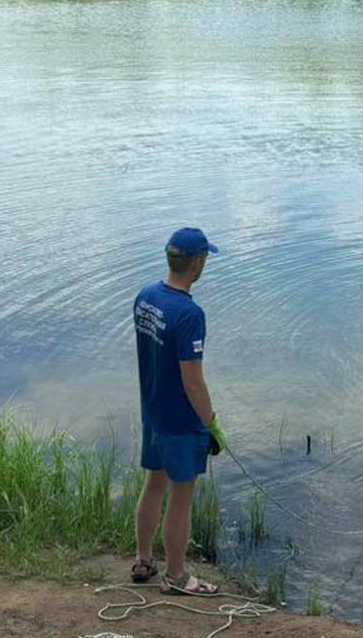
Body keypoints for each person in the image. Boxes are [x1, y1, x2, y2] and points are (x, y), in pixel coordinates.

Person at [131, 227, 227, 596]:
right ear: (198, 264)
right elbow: (192, 380)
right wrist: (211, 423)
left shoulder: (146, 297)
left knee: (153, 485)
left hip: (152, 413)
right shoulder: (189, 313)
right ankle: (175, 575)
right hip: (180, 421)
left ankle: (143, 560)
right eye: (205, 259)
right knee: (182, 498)